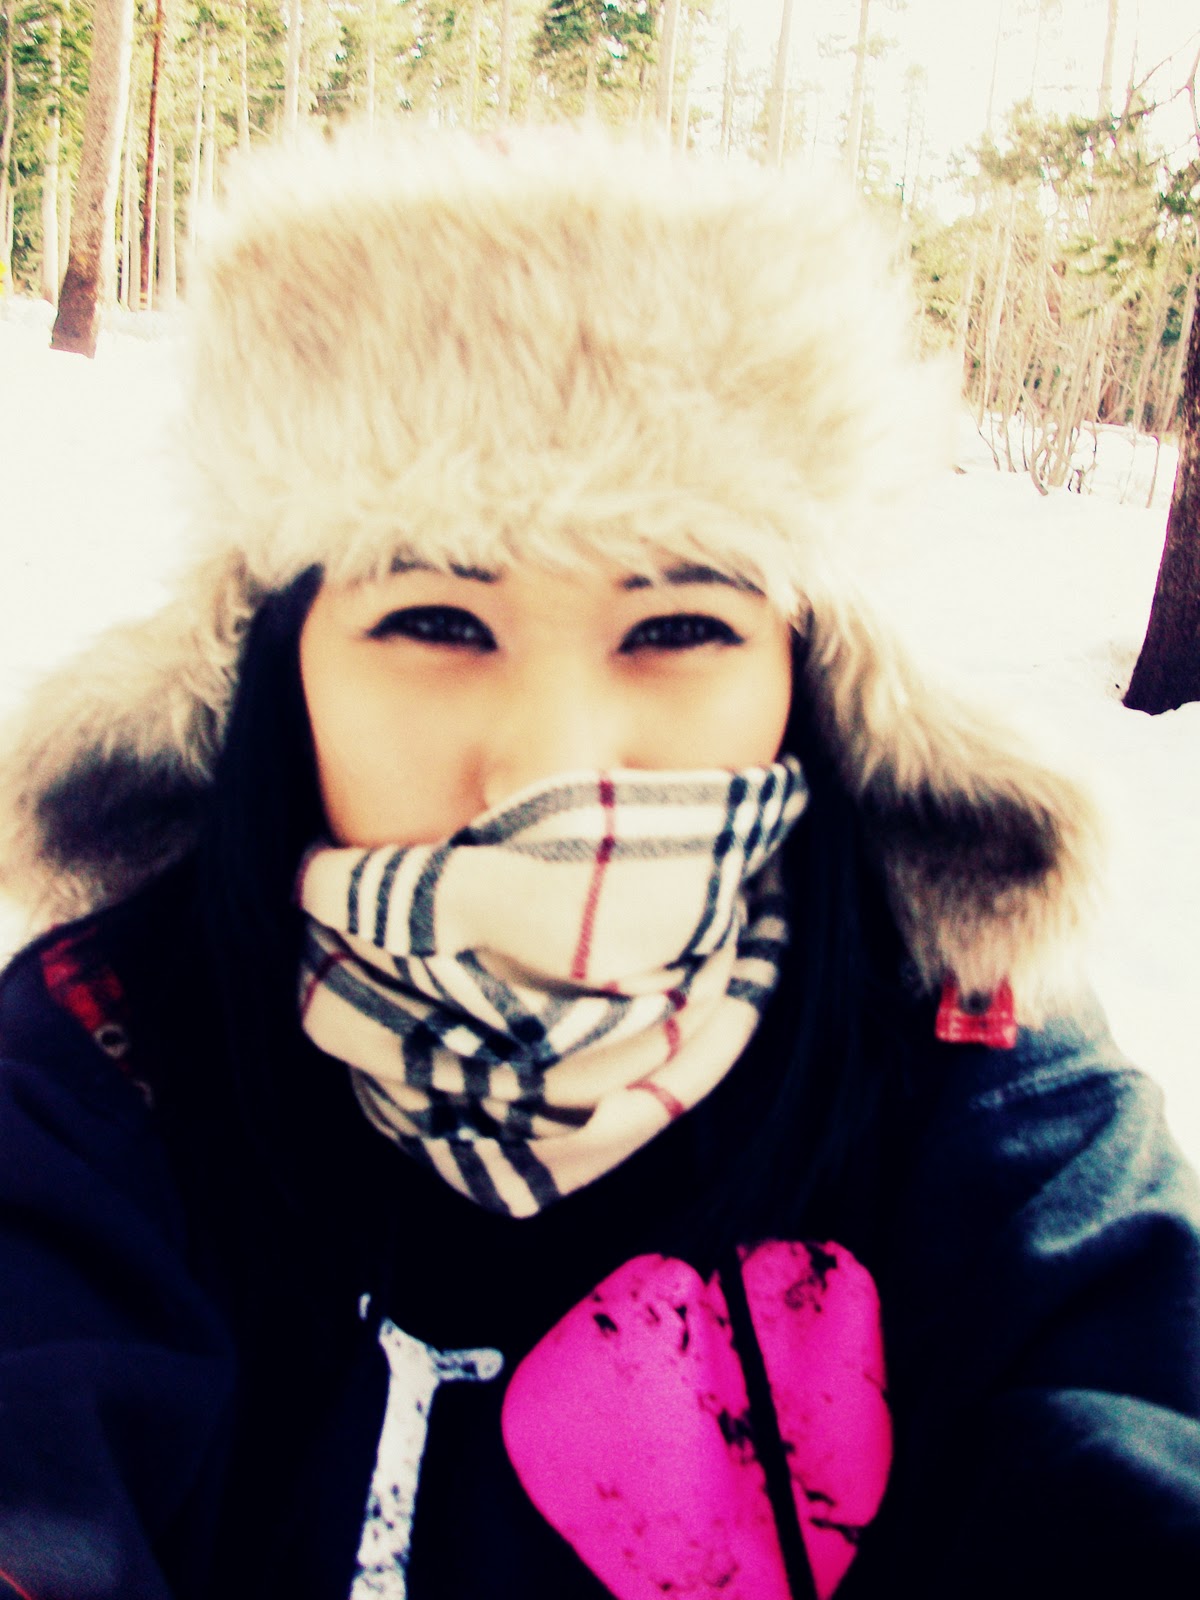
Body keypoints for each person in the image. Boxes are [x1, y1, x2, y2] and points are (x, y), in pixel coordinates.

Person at [0, 133, 1197, 1600]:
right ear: (275, 663)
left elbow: (1124, 1443)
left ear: (811, 675)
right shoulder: (104, 1063)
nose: (552, 769)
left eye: (678, 628)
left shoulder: (981, 1082)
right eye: (434, 622)